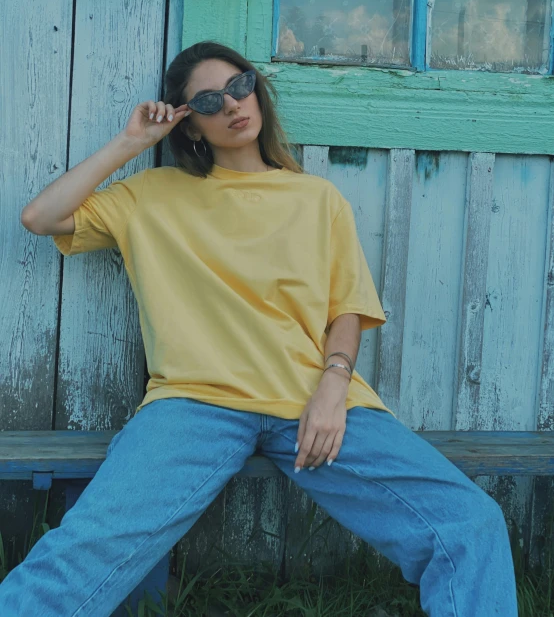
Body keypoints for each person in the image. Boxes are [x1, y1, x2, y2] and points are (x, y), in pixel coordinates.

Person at [1, 40, 517, 616]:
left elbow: (346, 307)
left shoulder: (317, 197)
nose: (232, 105)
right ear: (189, 123)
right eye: (208, 99)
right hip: (194, 404)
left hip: (312, 402)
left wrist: (333, 387)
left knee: (469, 523)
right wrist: (131, 143)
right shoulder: (149, 196)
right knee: (83, 550)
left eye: (240, 85)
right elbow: (40, 217)